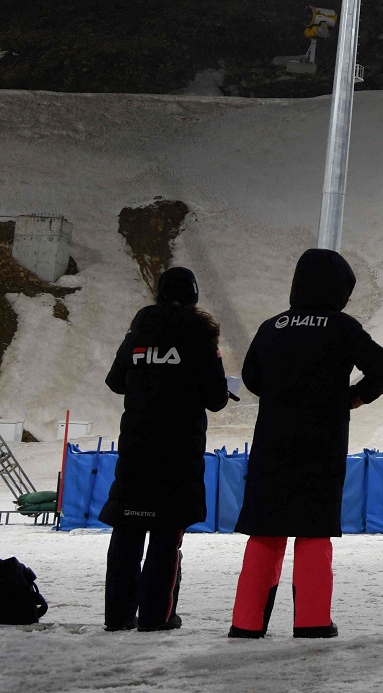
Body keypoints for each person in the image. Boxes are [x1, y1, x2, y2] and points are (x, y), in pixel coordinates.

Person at [230, 249, 383, 639]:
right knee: (313, 531)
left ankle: (247, 622)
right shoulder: (342, 326)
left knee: (265, 532)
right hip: (322, 443)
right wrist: (356, 396)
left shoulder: (272, 326)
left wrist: (281, 393)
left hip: (272, 441)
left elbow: (251, 376)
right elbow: (382, 366)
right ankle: (313, 621)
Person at [101, 266, 232, 632]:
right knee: (165, 533)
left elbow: (115, 382)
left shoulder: (137, 333)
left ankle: (117, 617)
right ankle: (157, 617)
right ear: (193, 296)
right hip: (178, 451)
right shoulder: (199, 335)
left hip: (135, 449)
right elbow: (217, 399)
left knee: (126, 533)